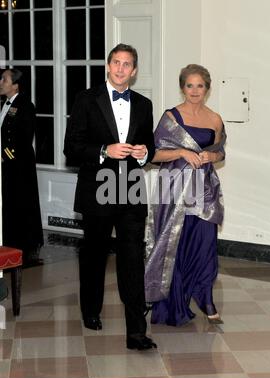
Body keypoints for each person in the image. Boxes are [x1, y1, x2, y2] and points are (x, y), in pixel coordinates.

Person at [64, 43, 157, 350]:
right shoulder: (86, 99)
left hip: (130, 188)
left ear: (134, 70)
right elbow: (71, 148)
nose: (120, 69)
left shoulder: (144, 104)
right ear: (108, 65)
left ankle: (136, 332)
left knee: (132, 258)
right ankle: (90, 310)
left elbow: (149, 148)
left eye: (127, 64)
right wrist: (104, 151)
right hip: (97, 187)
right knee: (95, 254)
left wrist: (145, 154)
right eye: (116, 62)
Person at [145, 64, 226, 326]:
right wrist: (182, 152)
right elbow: (154, 154)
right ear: (182, 87)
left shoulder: (214, 119)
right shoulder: (171, 117)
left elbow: (221, 152)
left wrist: (212, 155)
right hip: (175, 188)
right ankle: (173, 301)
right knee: (175, 245)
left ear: (207, 88)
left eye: (200, 86)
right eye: (189, 85)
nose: (194, 91)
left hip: (203, 190)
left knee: (205, 245)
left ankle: (205, 296)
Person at [0, 68, 44, 265]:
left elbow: (23, 139)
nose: (1, 82)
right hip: (7, 164)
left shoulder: (25, 105)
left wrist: (5, 155)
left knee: (21, 203)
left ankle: (26, 242)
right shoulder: (4, 104)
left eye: (4, 80)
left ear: (15, 84)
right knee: (8, 203)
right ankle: (9, 239)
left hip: (19, 165)